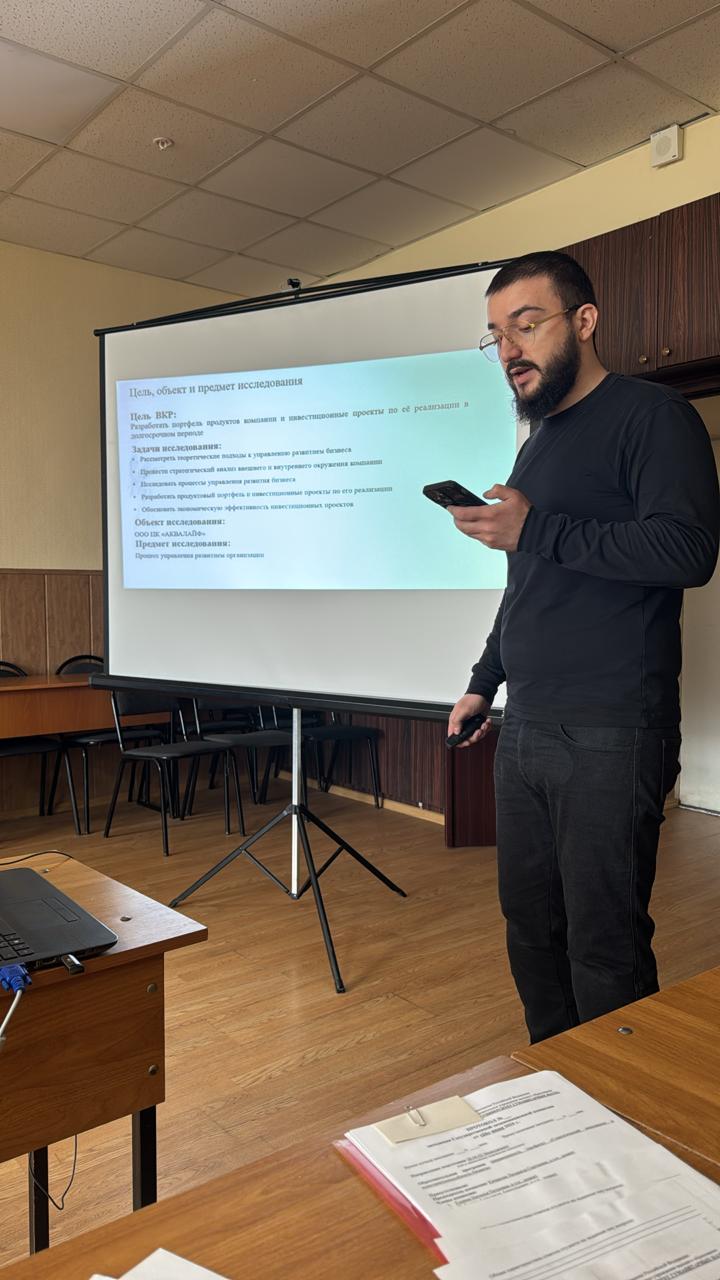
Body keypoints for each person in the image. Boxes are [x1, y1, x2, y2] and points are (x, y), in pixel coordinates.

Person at [447, 251, 720, 1044]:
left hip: (612, 729)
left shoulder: (654, 417)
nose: (510, 350)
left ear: (585, 321)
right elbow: (528, 582)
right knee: (531, 929)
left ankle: (621, 1102)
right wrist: (484, 680)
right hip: (528, 725)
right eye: (496, 336)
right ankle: (558, 1078)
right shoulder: (538, 443)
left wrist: (537, 528)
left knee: (605, 943)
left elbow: (687, 552)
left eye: (527, 325)